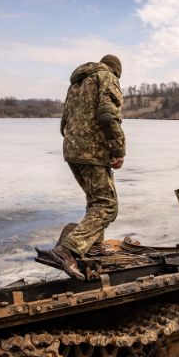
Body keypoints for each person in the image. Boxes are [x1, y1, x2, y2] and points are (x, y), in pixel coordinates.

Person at [49, 54, 126, 279]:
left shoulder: (77, 83)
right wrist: (118, 149)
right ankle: (68, 249)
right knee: (107, 206)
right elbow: (107, 116)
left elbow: (64, 123)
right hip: (93, 151)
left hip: (72, 150)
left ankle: (93, 245)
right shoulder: (107, 77)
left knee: (94, 200)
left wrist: (76, 143)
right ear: (116, 70)